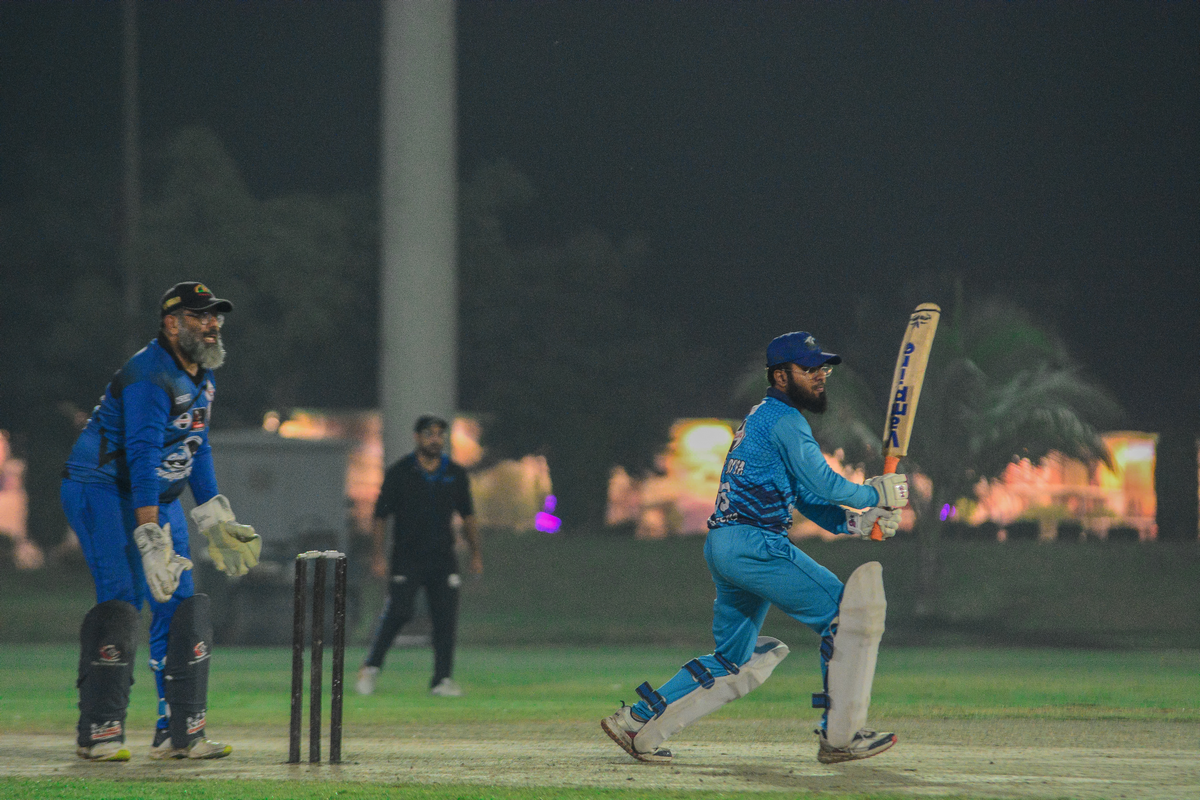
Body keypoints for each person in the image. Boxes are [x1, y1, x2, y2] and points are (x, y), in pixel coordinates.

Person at [601, 331, 908, 765]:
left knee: (732, 659)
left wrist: (858, 522)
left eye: (822, 368)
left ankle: (635, 720)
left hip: (725, 546)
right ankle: (840, 736)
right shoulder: (785, 421)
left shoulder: (761, 418)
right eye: (809, 368)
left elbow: (805, 497)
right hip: (756, 544)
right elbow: (824, 482)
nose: (820, 376)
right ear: (781, 376)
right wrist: (875, 494)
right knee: (845, 616)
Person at [61, 281, 261, 762]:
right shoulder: (150, 376)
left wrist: (214, 517)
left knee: (179, 602)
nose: (212, 324)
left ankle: (178, 732)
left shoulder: (202, 374)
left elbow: (197, 446)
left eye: (215, 316)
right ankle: (100, 731)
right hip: (103, 490)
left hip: (158, 492)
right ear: (171, 324)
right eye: (199, 316)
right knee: (124, 599)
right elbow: (142, 454)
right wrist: (150, 536)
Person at [356, 415, 483, 698]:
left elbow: (468, 516)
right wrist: (377, 555)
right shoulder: (401, 472)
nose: (435, 440)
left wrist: (475, 553)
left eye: (439, 435)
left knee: (445, 617)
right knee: (399, 611)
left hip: (443, 556)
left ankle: (442, 679)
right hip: (407, 556)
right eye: (429, 434)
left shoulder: (455, 473)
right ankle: (370, 667)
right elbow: (380, 516)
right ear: (417, 437)